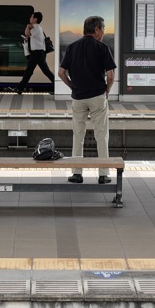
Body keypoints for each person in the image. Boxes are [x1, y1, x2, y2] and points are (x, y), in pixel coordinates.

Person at [58, 15, 116, 184]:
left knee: (78, 134)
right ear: (97, 30)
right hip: (97, 97)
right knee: (101, 135)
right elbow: (111, 75)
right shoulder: (102, 48)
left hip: (78, 98)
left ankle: (77, 173)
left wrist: (72, 87)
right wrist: (107, 91)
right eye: (103, 28)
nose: (104, 32)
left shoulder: (72, 47)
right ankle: (103, 174)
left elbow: (61, 73)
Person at [15, 11, 55, 94]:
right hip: (40, 53)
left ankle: (19, 88)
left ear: (35, 19)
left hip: (37, 53)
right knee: (46, 71)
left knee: (29, 71)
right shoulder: (38, 28)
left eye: (31, 17)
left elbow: (26, 34)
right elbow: (31, 37)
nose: (30, 18)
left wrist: (27, 26)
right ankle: (57, 87)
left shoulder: (35, 27)